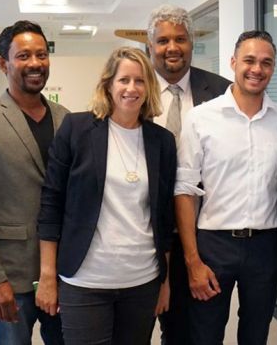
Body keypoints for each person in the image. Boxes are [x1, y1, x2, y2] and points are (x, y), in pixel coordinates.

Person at [36, 47, 176, 344]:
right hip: (85, 280)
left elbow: (165, 218)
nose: (131, 88)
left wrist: (165, 281)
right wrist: (48, 276)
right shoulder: (76, 129)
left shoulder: (162, 141)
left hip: (142, 281)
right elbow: (51, 204)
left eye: (140, 81)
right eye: (124, 79)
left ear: (149, 87)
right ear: (108, 84)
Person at [174, 30, 277, 345]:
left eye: (266, 62)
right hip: (214, 245)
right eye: (249, 60)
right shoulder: (201, 118)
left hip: (266, 247)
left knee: (256, 336)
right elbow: (184, 189)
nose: (257, 69)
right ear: (233, 62)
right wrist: (192, 260)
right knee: (205, 335)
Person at [0, 20, 68, 345]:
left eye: (41, 54)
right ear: (4, 63)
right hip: (11, 277)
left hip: (62, 271)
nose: (35, 64)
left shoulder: (65, 118)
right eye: (23, 56)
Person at [147, 4, 230, 345]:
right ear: (150, 47)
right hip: (143, 228)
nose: (172, 47)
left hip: (201, 231)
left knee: (192, 328)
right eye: (163, 40)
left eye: (180, 39)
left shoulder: (223, 90)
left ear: (192, 43)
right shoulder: (132, 91)